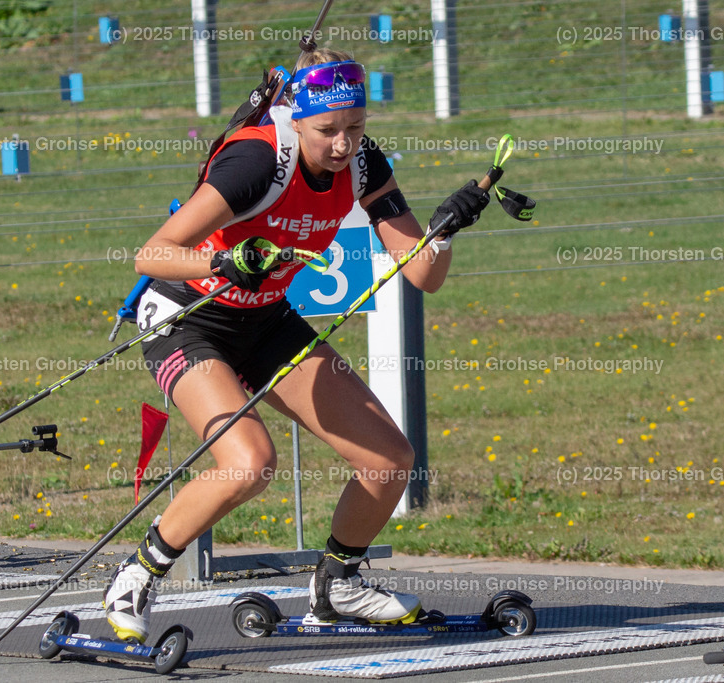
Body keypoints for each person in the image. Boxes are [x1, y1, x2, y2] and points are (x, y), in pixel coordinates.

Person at [103, 48, 489, 643]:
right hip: (190, 316)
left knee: (389, 461)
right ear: (297, 118)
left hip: (266, 320)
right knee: (250, 463)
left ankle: (339, 586)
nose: (342, 145)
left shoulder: (362, 163)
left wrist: (444, 229)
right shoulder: (258, 159)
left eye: (355, 127)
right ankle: (137, 575)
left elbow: (423, 275)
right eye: (327, 130)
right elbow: (151, 254)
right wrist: (225, 260)